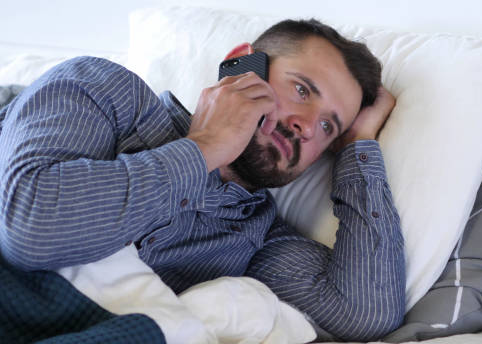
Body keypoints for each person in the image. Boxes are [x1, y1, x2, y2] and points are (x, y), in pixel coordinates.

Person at [0, 19, 405, 341]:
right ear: (241, 64)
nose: (305, 126)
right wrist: (207, 147)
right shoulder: (108, 92)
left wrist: (359, 147)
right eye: (301, 90)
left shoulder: (254, 240)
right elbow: (30, 229)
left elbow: (364, 313)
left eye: (328, 127)